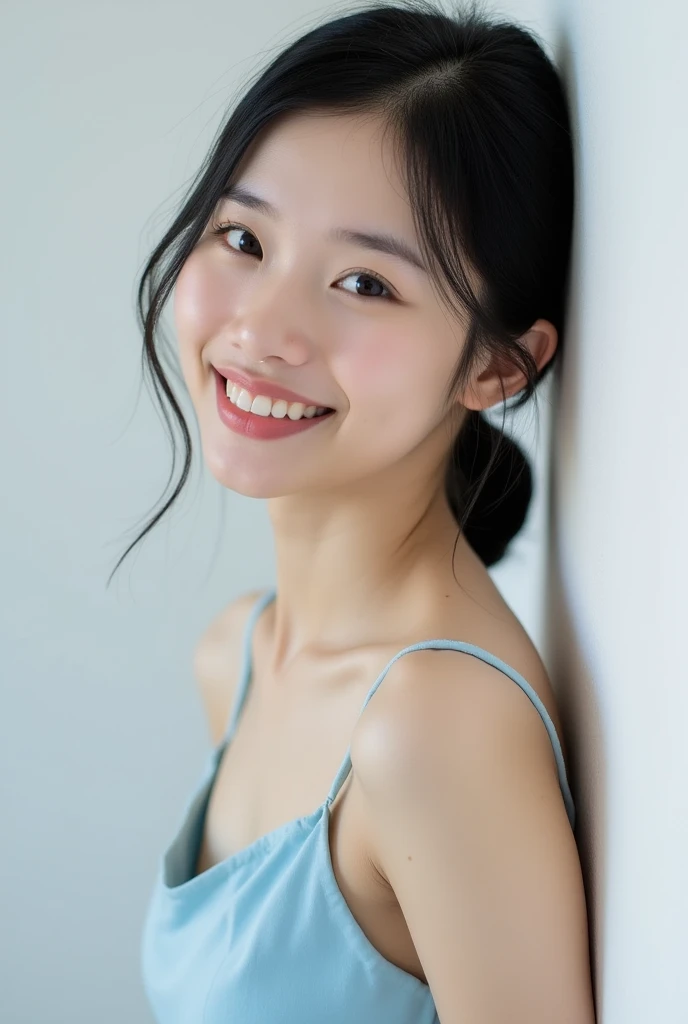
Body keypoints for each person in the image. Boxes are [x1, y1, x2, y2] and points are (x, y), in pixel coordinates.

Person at [113, 1, 596, 1020]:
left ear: (497, 367)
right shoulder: (237, 652)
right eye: (243, 236)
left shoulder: (433, 725)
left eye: (363, 282)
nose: (261, 327)